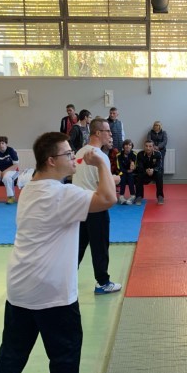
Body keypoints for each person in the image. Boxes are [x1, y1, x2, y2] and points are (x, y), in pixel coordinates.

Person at [0, 131, 116, 373]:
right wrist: (102, 164)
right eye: (67, 154)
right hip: (52, 293)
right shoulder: (61, 194)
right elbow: (108, 199)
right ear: (51, 160)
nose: (73, 157)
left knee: (13, 349)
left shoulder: (29, 188)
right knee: (65, 352)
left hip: (20, 287)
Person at [73, 118, 122, 295]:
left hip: (78, 205)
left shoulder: (80, 152)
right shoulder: (100, 157)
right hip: (96, 205)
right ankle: (103, 282)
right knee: (99, 246)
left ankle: (66, 279)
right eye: (108, 131)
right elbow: (103, 186)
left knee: (77, 246)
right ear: (98, 133)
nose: (110, 134)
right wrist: (114, 179)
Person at [134, 140, 164, 205]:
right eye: (146, 146)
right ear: (144, 146)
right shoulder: (140, 154)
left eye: (150, 146)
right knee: (138, 175)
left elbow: (159, 166)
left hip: (154, 172)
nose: (148, 148)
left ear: (153, 147)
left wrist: (153, 170)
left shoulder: (158, 154)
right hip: (144, 172)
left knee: (159, 174)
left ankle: (160, 196)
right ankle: (139, 196)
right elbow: (139, 166)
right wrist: (146, 170)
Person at [116, 139, 136, 205]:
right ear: (123, 146)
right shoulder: (118, 155)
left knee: (130, 177)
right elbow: (119, 167)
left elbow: (136, 165)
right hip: (122, 171)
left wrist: (133, 167)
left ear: (131, 146)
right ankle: (121, 196)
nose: (128, 146)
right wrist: (126, 171)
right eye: (126, 145)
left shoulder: (134, 154)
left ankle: (133, 195)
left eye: (129, 145)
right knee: (123, 177)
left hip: (131, 172)